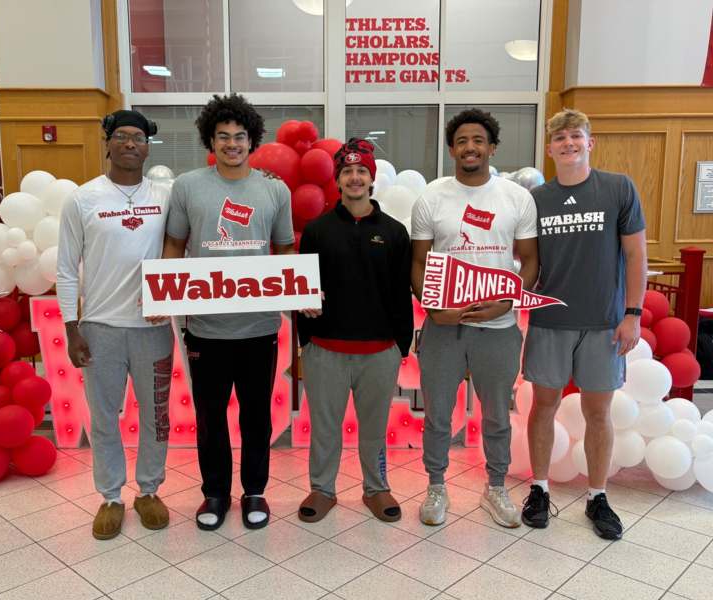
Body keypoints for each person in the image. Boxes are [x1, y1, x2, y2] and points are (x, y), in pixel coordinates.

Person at [161, 93, 295, 531]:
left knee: (256, 416)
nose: (232, 143)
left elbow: (284, 249)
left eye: (239, 136)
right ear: (211, 140)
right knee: (210, 418)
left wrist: (300, 289)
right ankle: (215, 493)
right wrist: (164, 295)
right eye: (223, 136)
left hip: (259, 327)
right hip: (205, 329)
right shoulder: (187, 186)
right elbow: (174, 244)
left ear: (252, 140)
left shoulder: (274, 189)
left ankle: (254, 490)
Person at [521, 109, 646, 540]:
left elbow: (635, 254)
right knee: (543, 406)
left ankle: (597, 495)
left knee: (598, 412)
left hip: (603, 323)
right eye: (560, 138)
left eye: (576, 136)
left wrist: (633, 314)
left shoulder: (618, 188)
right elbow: (526, 260)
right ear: (550, 148)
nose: (568, 143)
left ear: (589, 142)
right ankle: (539, 489)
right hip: (550, 319)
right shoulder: (536, 199)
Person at [411, 108, 539, 528]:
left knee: (497, 414)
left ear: (492, 148)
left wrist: (508, 302)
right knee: (438, 413)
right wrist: (434, 308)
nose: (470, 147)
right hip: (444, 327)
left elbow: (530, 261)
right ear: (452, 149)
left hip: (498, 328)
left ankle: (496, 487)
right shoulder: (432, 197)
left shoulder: (516, 198)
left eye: (478, 140)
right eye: (462, 141)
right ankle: (436, 487)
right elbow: (418, 263)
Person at [57, 109, 174, 540]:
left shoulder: (166, 195)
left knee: (157, 416)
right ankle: (110, 496)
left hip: (153, 328)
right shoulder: (83, 199)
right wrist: (72, 326)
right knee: (104, 416)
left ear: (147, 147)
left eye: (138, 138)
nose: (130, 144)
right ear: (107, 142)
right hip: (100, 327)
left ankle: (149, 490)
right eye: (121, 136)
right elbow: (66, 268)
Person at [296, 139, 413, 523]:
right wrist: (305, 341)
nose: (355, 177)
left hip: (379, 351)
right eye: (347, 171)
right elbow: (304, 287)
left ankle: (376, 489)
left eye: (362, 170)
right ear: (338, 180)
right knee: (325, 428)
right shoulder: (318, 230)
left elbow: (401, 292)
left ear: (371, 178)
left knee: (374, 430)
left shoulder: (394, 232)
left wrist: (400, 346)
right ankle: (322, 489)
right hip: (325, 349)